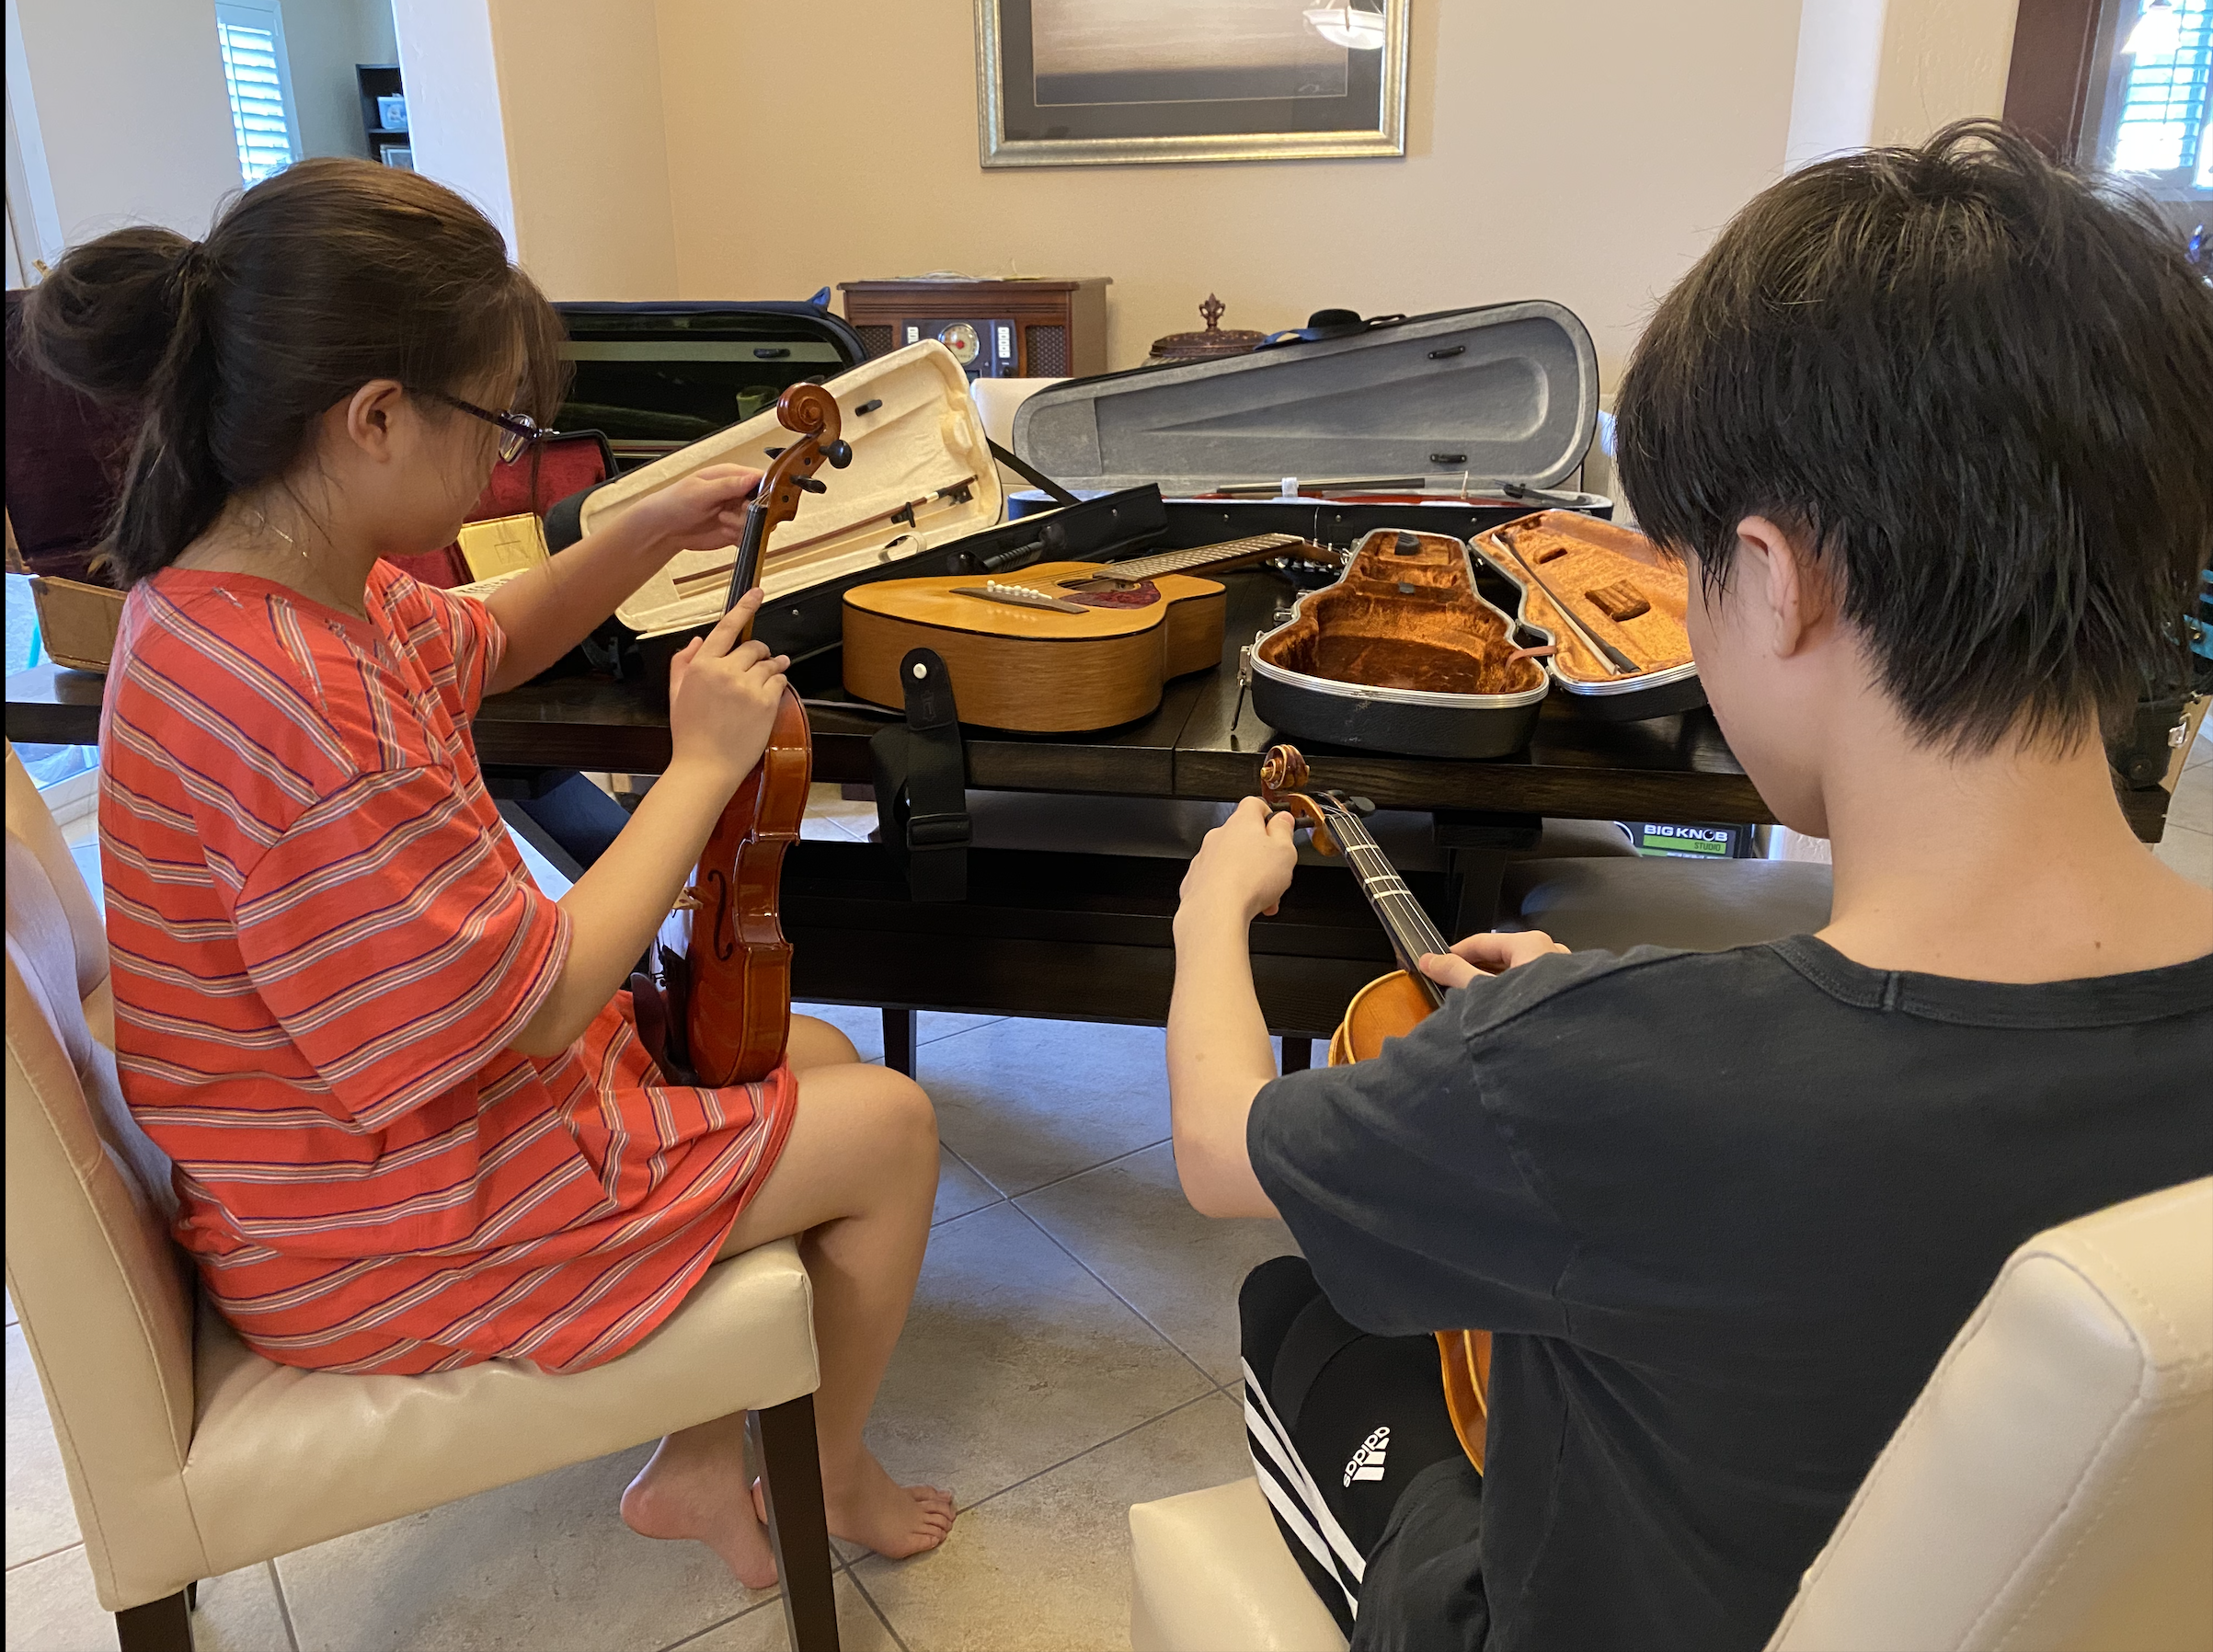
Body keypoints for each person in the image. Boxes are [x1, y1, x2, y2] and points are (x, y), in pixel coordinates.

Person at [1165, 121, 2213, 1652]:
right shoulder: (1616, 1055)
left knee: (1300, 1308)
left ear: (1776, 581)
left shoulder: (1599, 1069)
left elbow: (1216, 1153)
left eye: (1684, 572)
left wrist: (1212, 912)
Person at [21, 157, 953, 1586]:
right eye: (499, 424)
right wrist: (701, 765)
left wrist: (635, 531)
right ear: (375, 416)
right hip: (372, 1235)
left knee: (797, 1050)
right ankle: (823, 1478)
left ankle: (699, 1465)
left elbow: (490, 639)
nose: (506, 466)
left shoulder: (257, 588)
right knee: (888, 1126)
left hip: (332, 1174)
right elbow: (536, 1002)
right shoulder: (296, 699)